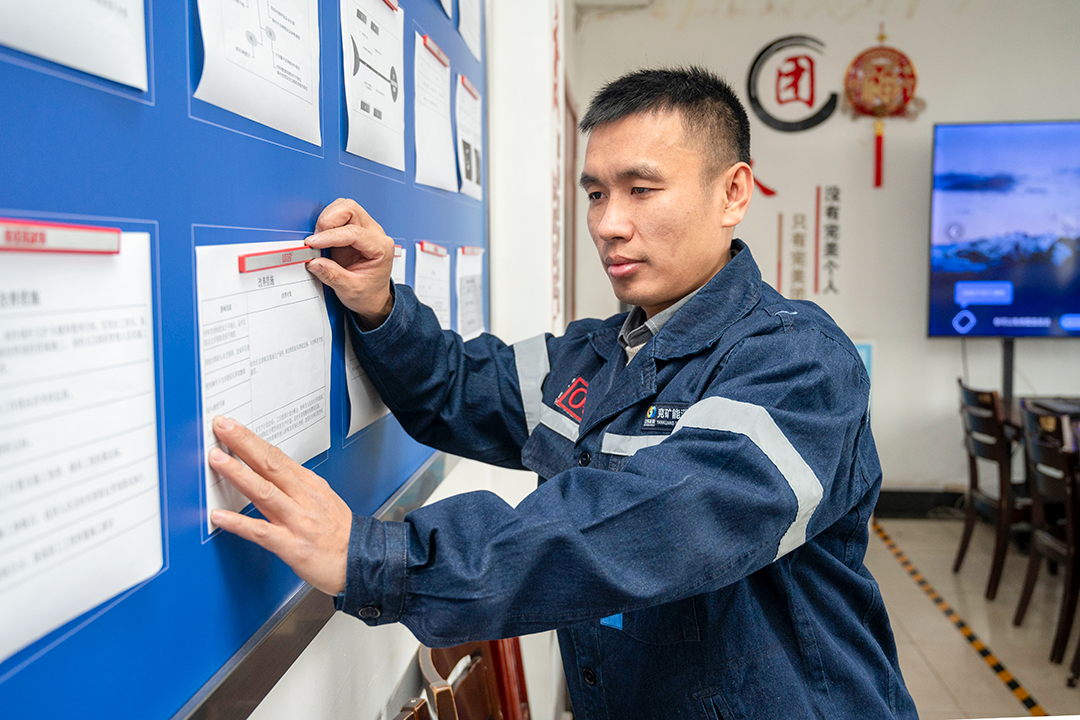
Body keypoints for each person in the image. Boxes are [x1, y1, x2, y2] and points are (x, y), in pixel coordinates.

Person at [209, 66, 918, 719]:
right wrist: (378, 305)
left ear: (732, 193)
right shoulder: (595, 356)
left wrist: (380, 558)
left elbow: (659, 526)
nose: (609, 224)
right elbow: (455, 389)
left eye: (642, 190)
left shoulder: (799, 364)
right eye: (596, 193)